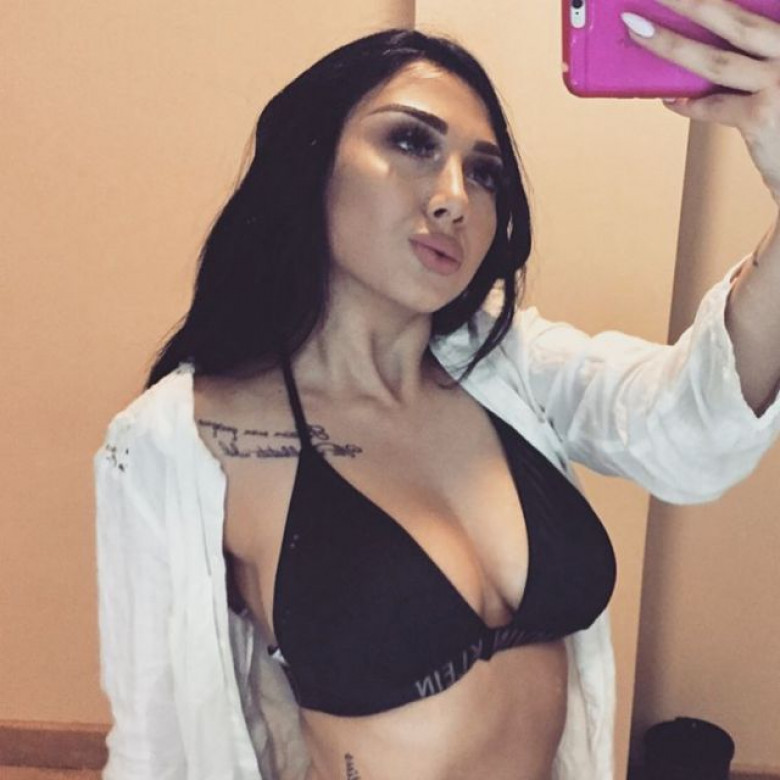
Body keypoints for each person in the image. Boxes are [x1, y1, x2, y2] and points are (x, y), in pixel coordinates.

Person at [94, 15, 780, 780]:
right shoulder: (182, 439)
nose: (455, 197)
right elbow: (155, 747)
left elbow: (692, 432)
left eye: (484, 174)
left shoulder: (506, 363)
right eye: (410, 142)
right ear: (311, 161)